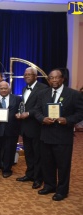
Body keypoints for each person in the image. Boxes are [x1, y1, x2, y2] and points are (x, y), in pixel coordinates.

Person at [35, 69, 83, 201]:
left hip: (63, 136)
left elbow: (80, 113)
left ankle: (62, 190)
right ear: (48, 80)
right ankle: (49, 185)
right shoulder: (42, 93)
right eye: (51, 78)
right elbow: (37, 110)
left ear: (62, 79)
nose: (54, 80)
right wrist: (42, 118)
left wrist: (67, 120)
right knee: (47, 163)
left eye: (57, 78)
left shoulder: (73, 94)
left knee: (63, 165)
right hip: (46, 134)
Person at [15, 67, 48, 189]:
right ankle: (30, 174)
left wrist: (28, 113)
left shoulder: (43, 88)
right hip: (25, 127)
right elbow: (25, 105)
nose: (27, 76)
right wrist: (20, 113)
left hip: (36, 126)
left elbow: (40, 107)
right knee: (28, 153)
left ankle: (38, 178)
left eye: (30, 74)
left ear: (35, 76)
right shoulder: (24, 88)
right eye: (25, 74)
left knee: (37, 153)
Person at [0, 81, 21, 178]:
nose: (3, 90)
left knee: (9, 151)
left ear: (9, 89)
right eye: (1, 88)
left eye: (5, 88)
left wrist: (19, 115)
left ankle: (7, 169)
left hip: (11, 130)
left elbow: (21, 111)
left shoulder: (17, 99)